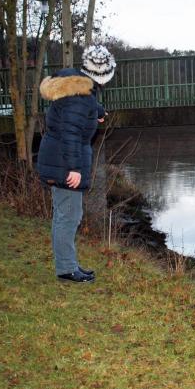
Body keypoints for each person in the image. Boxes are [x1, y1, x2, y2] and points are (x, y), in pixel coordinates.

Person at [36, 45, 116, 283]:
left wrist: (96, 110)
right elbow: (70, 133)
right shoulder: (80, 99)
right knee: (69, 216)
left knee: (66, 214)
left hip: (57, 158)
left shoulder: (78, 91)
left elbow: (77, 111)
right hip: (64, 163)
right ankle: (67, 269)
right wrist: (74, 168)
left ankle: (67, 263)